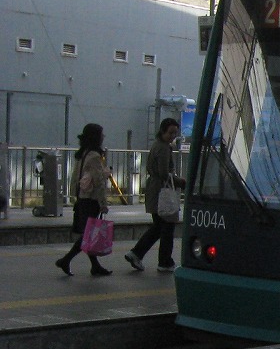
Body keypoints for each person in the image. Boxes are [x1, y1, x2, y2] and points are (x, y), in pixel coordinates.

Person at [124, 118, 185, 272]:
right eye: (170, 132)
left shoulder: (156, 145)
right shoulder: (164, 148)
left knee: (158, 227)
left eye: (175, 133)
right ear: (163, 131)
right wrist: (181, 182)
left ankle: (136, 253)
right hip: (163, 192)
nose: (173, 136)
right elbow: (164, 173)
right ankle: (165, 261)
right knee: (167, 228)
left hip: (154, 189)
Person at [56, 123, 111, 276]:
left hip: (82, 198)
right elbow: (98, 182)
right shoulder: (94, 156)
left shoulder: (83, 154)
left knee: (88, 233)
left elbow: (75, 177)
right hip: (91, 199)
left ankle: (94, 266)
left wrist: (76, 195)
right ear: (96, 137)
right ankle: (66, 260)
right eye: (101, 134)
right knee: (88, 235)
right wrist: (103, 203)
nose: (103, 137)